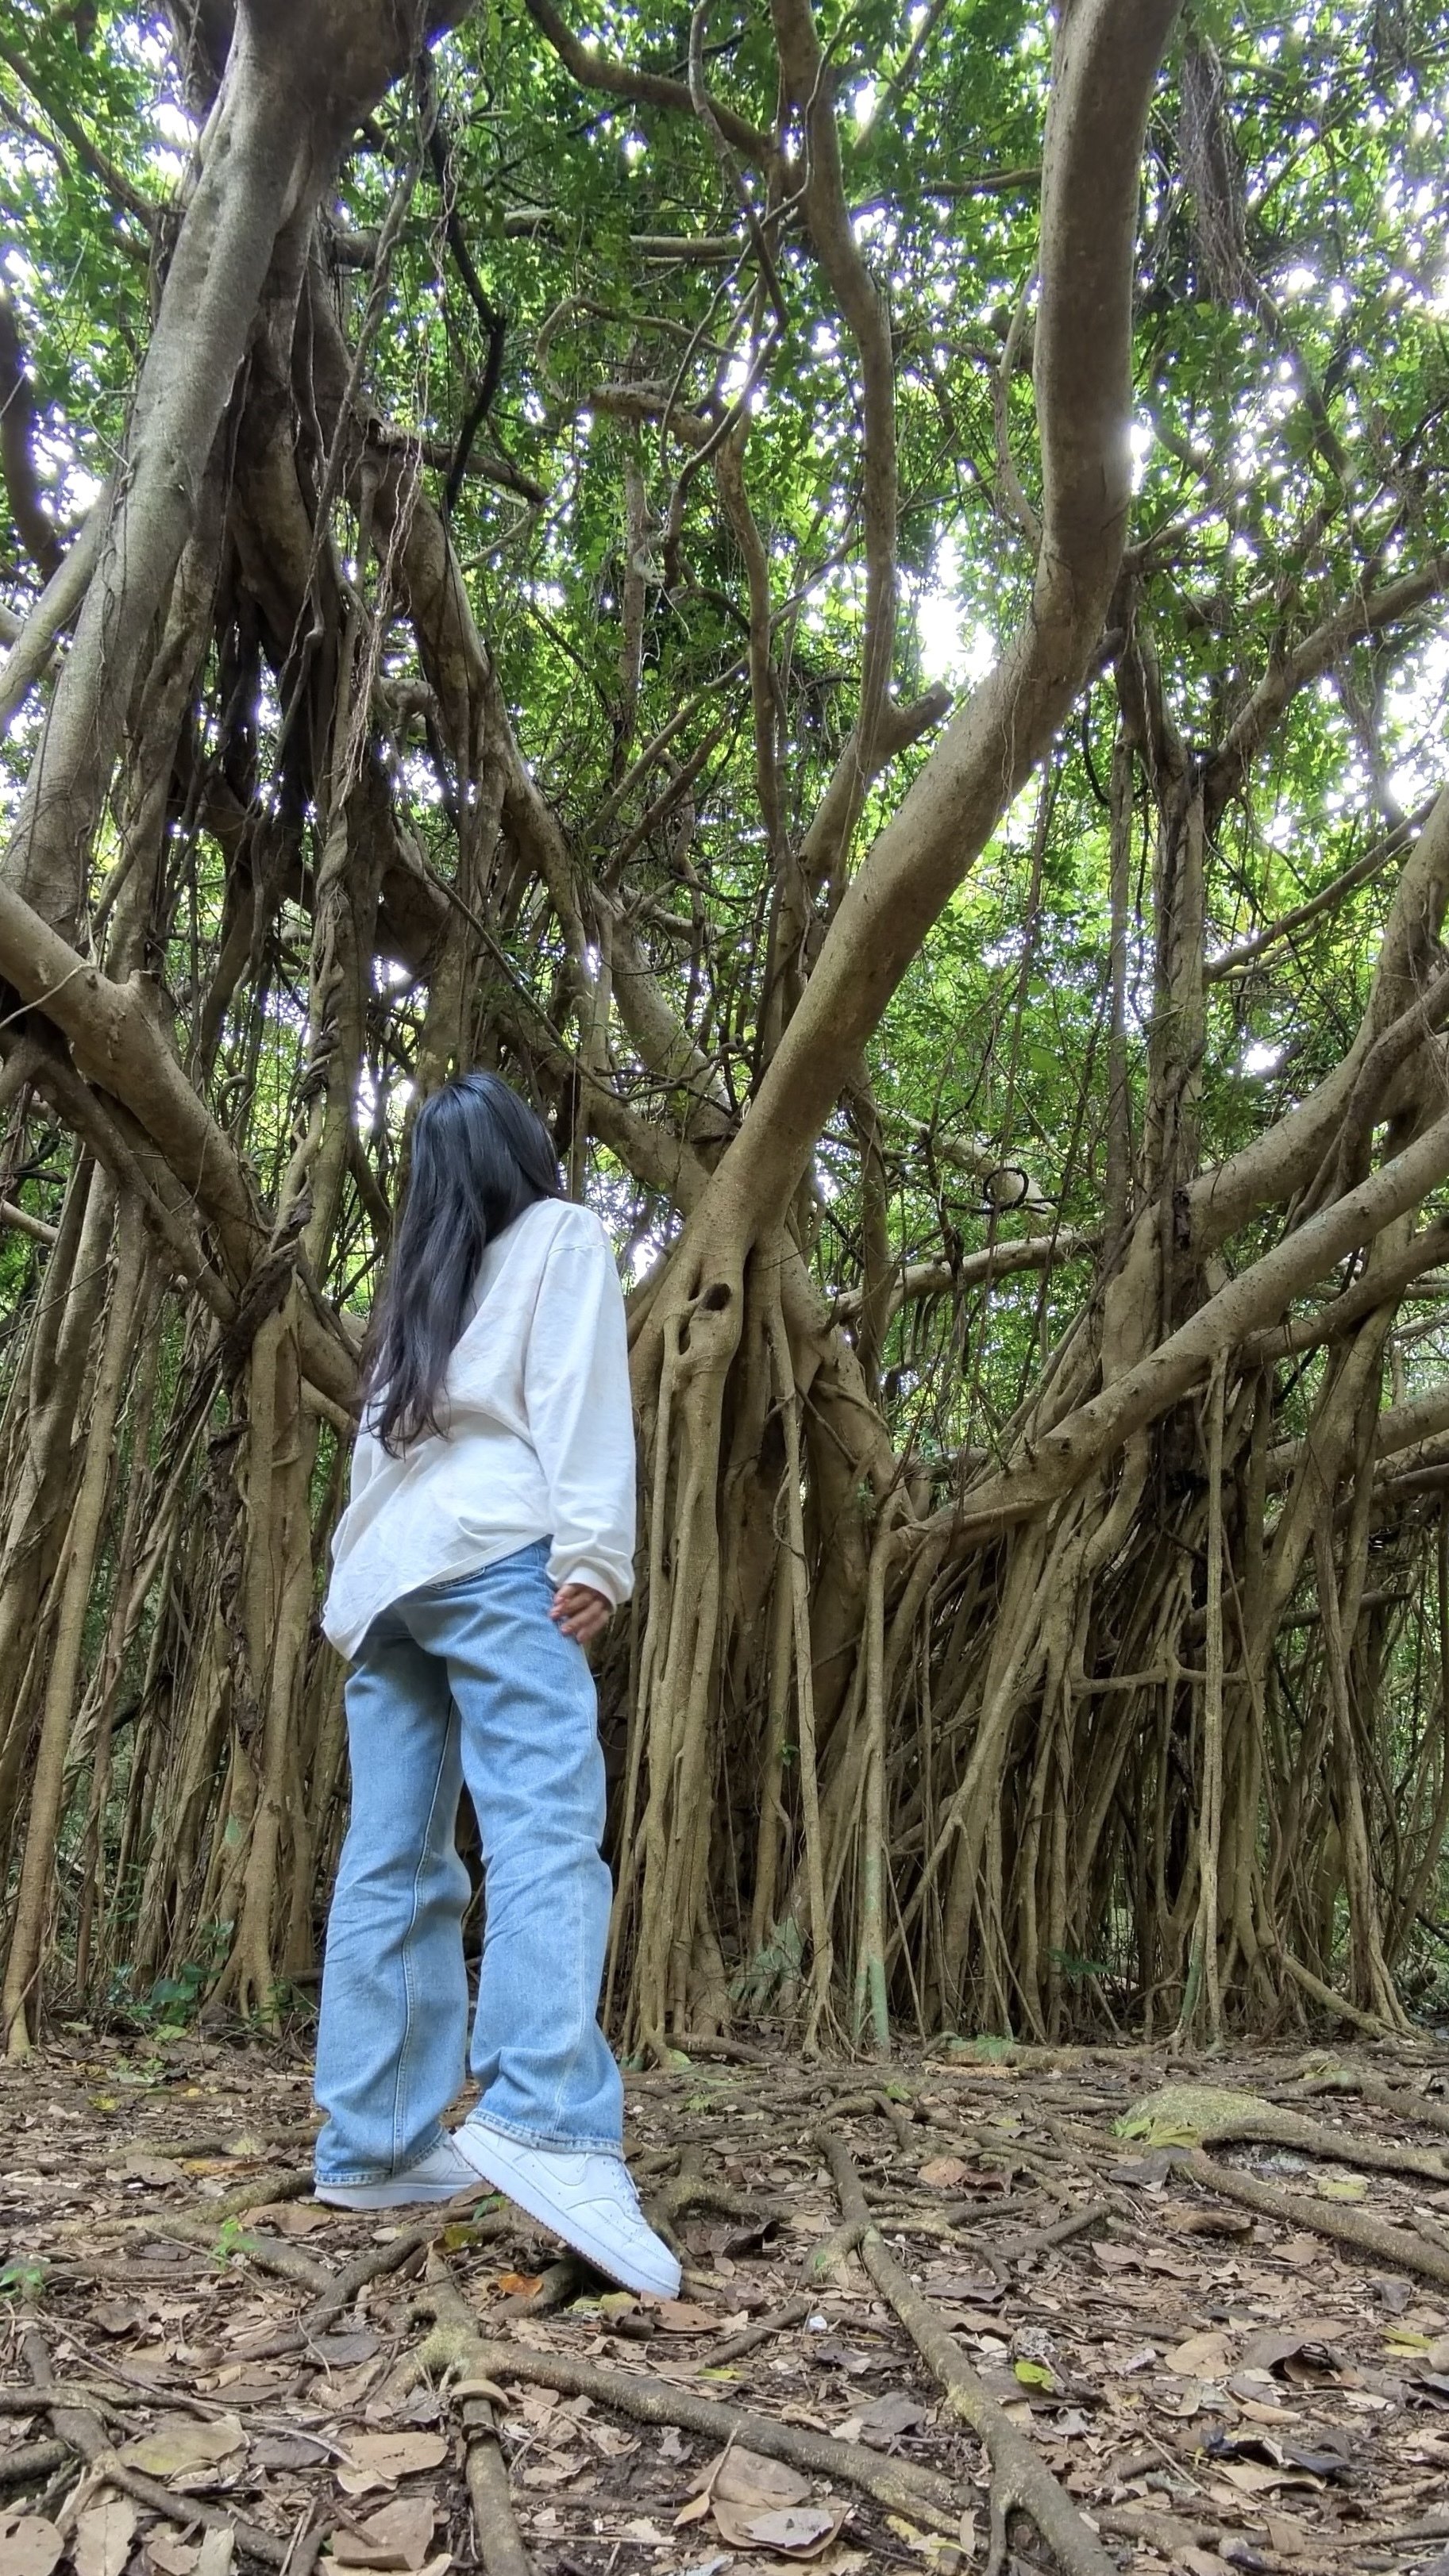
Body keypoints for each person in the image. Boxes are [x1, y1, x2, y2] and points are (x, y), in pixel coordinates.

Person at [311, 1072, 679, 2299]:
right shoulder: (557, 1234)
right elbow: (578, 1393)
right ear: (528, 1151)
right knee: (541, 1825)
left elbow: (372, 1455)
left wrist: (355, 1595)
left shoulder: (418, 1286)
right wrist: (596, 1555)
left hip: (388, 1583)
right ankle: (547, 2116)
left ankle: (372, 2140)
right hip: (498, 1553)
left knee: (395, 1854)